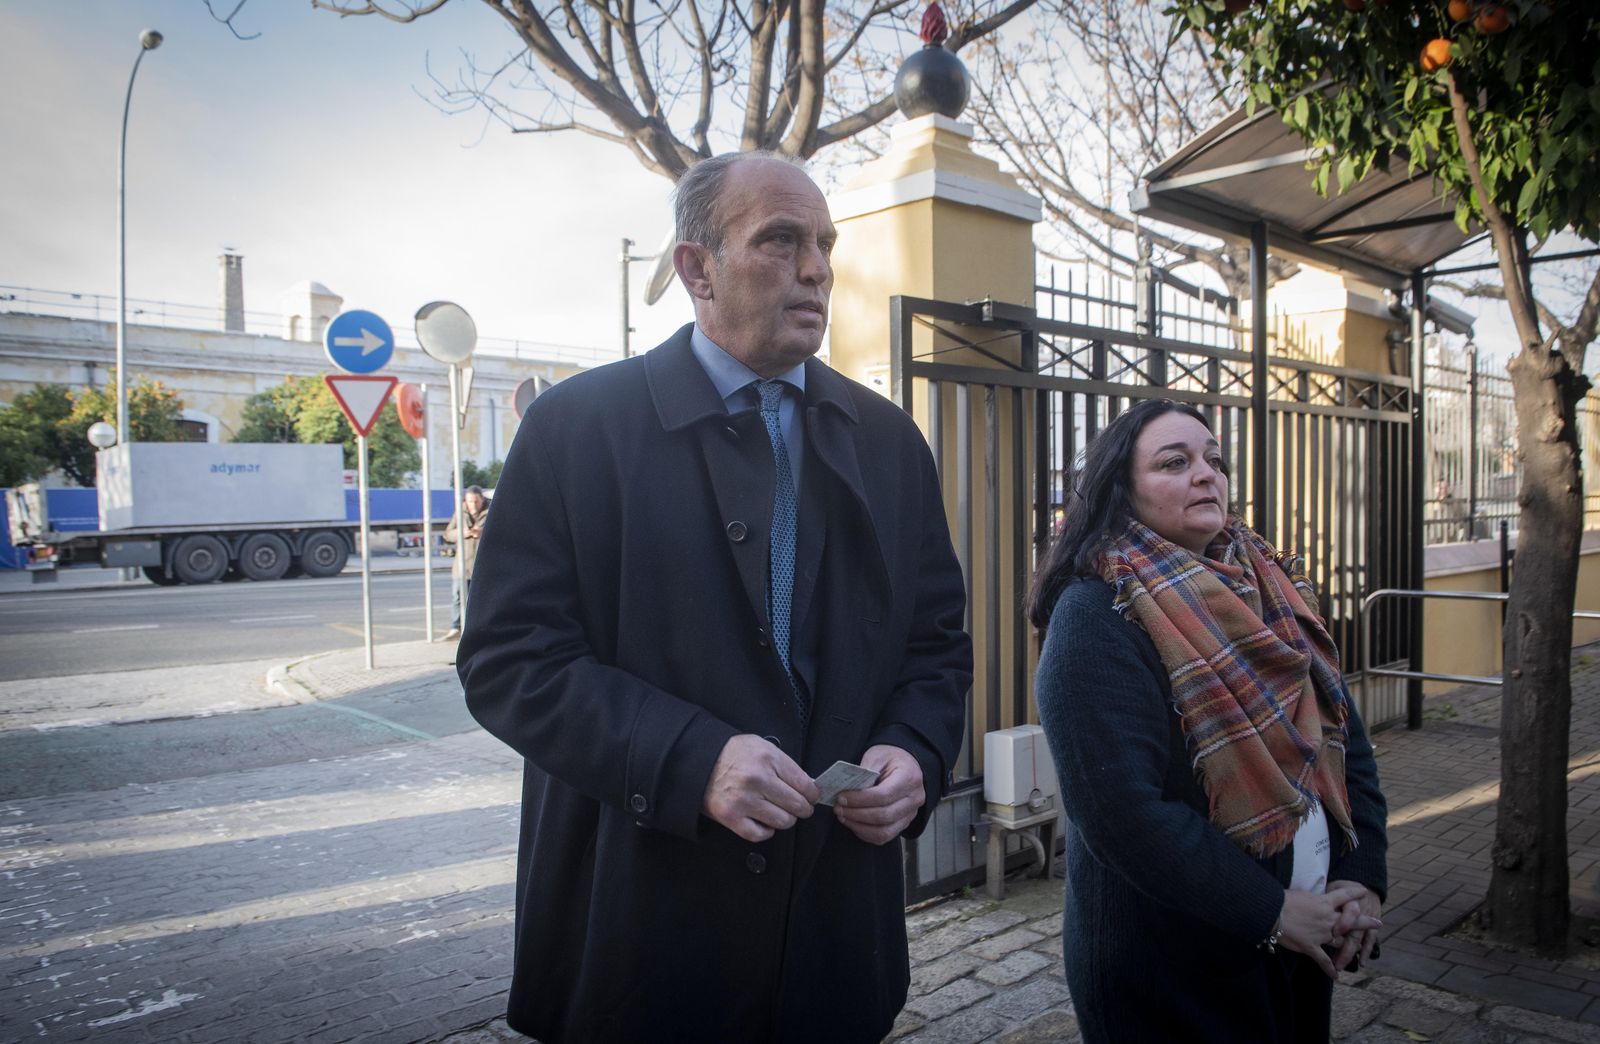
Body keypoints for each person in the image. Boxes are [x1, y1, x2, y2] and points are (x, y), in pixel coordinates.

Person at [456, 151, 971, 1043]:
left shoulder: (890, 442)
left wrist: (913, 751)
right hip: (639, 939)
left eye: (823, 244)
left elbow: (935, 646)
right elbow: (510, 663)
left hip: (833, 941)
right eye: (780, 241)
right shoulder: (576, 430)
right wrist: (691, 760)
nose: (815, 269)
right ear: (696, 267)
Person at [1024, 398, 1388, 1042]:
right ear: (1121, 490)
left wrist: (1361, 879)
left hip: (1301, 944)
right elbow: (1121, 815)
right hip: (1175, 965)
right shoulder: (1095, 617)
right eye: (1175, 462)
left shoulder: (1269, 586)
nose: (1206, 474)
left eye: (1214, 460)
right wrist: (1272, 911)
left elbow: (1344, 740)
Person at [439, 485, 487, 641]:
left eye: (476, 501)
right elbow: (447, 534)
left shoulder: (491, 511)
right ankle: (455, 627)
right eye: (470, 501)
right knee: (458, 597)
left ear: (482, 500)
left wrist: (482, 532)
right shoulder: (460, 513)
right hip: (462, 564)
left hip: (482, 567)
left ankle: (479, 630)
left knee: (481, 600)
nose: (473, 505)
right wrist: (462, 533)